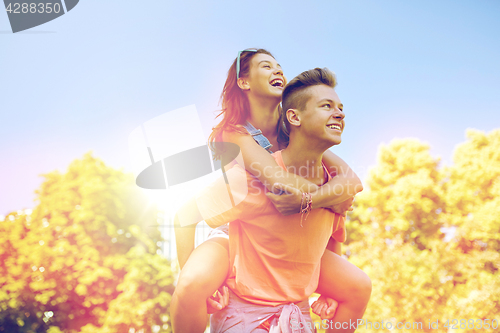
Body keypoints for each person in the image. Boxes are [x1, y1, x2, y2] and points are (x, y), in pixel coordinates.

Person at [171, 51, 371, 333]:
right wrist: (330, 196)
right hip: (239, 227)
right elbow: (277, 180)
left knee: (358, 285)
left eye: (280, 66)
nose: (278, 71)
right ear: (244, 82)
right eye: (267, 66)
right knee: (192, 283)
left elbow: (351, 181)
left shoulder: (296, 129)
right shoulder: (235, 132)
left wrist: (326, 196)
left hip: (295, 228)